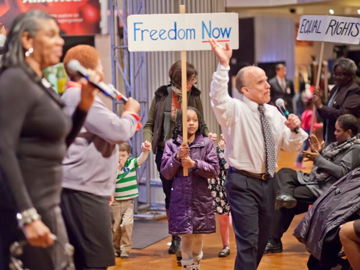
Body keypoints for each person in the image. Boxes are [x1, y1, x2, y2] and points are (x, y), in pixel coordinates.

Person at [0, 10, 99, 270]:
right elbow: (3, 147)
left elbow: (58, 145)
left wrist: (84, 107)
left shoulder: (39, 83)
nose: (59, 41)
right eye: (51, 34)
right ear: (27, 40)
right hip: (27, 207)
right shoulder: (14, 80)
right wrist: (28, 215)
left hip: (47, 203)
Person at [208, 38, 307, 270]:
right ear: (245, 89)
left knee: (262, 241)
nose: (267, 85)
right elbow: (217, 97)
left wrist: (294, 130)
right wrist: (223, 66)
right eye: (261, 82)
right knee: (248, 242)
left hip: (270, 183)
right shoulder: (234, 110)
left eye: (266, 80)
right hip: (242, 182)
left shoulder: (273, 113)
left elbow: (292, 147)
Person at [60, 45, 141, 270]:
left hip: (86, 189)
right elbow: (118, 131)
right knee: (95, 262)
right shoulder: (78, 95)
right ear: (90, 71)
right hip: (83, 190)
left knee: (90, 260)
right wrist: (131, 113)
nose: (104, 75)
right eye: (100, 68)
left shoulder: (77, 94)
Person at [143, 60, 215, 256]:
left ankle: (191, 234)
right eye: (190, 79)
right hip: (166, 153)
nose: (193, 82)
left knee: (192, 194)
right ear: (179, 80)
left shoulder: (195, 95)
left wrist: (209, 138)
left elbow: (202, 122)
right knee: (171, 194)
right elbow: (149, 124)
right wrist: (148, 142)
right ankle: (176, 236)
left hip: (193, 153)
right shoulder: (162, 95)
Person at [265, 114, 360, 254]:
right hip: (317, 180)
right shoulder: (342, 144)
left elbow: (341, 172)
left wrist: (318, 158)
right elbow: (332, 164)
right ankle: (285, 197)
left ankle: (274, 239)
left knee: (287, 197)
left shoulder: (356, 148)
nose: (334, 133)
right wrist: (319, 152)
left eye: (338, 130)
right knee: (284, 172)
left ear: (349, 132)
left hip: (329, 189)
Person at [160, 107, 219, 269]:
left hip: (200, 198)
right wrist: (177, 157)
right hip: (181, 198)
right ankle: (188, 266)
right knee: (186, 235)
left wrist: (195, 164)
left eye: (195, 120)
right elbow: (166, 172)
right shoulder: (172, 145)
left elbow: (214, 170)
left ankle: (196, 260)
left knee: (198, 236)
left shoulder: (206, 143)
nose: (191, 123)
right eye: (187, 120)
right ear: (180, 123)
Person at [110, 141, 151, 259]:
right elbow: (111, 180)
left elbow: (141, 159)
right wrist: (117, 168)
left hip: (128, 202)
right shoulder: (112, 166)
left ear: (128, 155)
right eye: (118, 156)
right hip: (115, 203)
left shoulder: (131, 163)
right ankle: (115, 248)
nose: (120, 158)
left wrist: (145, 151)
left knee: (127, 224)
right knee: (115, 228)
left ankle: (125, 249)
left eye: (123, 155)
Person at [314, 58, 360, 146]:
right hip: (330, 134)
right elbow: (327, 112)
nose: (336, 77)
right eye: (335, 74)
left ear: (350, 76)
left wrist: (321, 106)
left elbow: (343, 114)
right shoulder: (335, 88)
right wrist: (318, 102)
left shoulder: (355, 90)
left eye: (340, 75)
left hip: (346, 140)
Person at [208, 134, 232, 257]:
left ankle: (245, 246)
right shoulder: (216, 149)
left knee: (236, 220)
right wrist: (213, 147)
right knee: (223, 219)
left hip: (233, 187)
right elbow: (213, 166)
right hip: (218, 188)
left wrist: (222, 150)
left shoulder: (235, 149)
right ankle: (226, 245)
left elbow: (227, 166)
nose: (222, 135)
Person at [295, 95, 323, 169]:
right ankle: (298, 161)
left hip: (305, 130)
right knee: (307, 147)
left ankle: (315, 162)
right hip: (308, 132)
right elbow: (311, 124)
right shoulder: (311, 113)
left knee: (312, 147)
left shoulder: (305, 112)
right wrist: (320, 125)